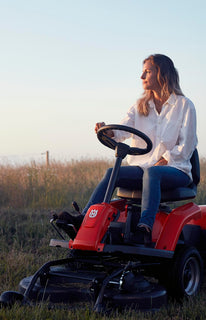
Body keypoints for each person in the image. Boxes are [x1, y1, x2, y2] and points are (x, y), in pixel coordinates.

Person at [56, 54, 197, 244]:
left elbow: (187, 146)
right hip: (144, 168)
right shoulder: (140, 107)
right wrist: (109, 131)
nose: (142, 77)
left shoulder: (184, 106)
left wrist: (165, 160)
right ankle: (84, 220)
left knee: (153, 173)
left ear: (162, 73)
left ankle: (144, 227)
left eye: (147, 71)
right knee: (112, 172)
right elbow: (121, 131)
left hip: (176, 169)